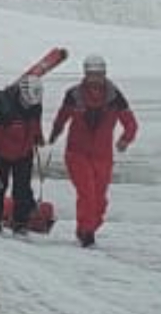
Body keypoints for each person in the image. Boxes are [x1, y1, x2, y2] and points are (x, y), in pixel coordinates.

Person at [48, 53, 138, 247]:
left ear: (104, 74)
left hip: (103, 156)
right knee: (87, 194)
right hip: (76, 153)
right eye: (91, 74)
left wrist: (125, 139)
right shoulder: (74, 95)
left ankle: (86, 229)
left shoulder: (115, 96)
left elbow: (130, 123)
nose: (95, 78)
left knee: (100, 201)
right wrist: (55, 132)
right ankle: (87, 234)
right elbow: (62, 116)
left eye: (98, 74)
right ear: (85, 74)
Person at [0, 75, 44, 234]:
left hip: (24, 154)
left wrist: (38, 137)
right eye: (28, 102)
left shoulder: (35, 107)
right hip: (0, 154)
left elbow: (35, 123)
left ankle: (20, 223)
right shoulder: (4, 108)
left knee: (23, 190)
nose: (30, 105)